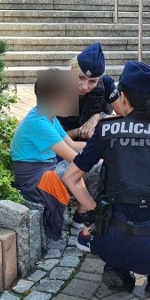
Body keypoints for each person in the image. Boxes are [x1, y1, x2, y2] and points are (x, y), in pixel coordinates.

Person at [63, 61, 150, 296]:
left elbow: (71, 178)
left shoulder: (106, 130)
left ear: (124, 98)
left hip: (110, 244)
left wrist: (95, 212)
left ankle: (117, 268)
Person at [11, 69, 89, 241]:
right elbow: (74, 158)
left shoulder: (49, 116)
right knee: (89, 169)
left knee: (88, 163)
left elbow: (73, 145)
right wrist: (101, 155)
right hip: (35, 176)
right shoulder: (38, 122)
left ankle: (82, 216)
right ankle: (84, 216)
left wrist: (100, 146)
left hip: (46, 166)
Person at [58, 42, 120, 141]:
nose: (84, 87)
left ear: (99, 79)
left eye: (93, 81)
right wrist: (78, 131)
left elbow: (126, 117)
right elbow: (46, 137)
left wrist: (99, 116)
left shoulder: (106, 84)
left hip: (96, 145)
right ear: (72, 68)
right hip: (60, 147)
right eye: (80, 77)